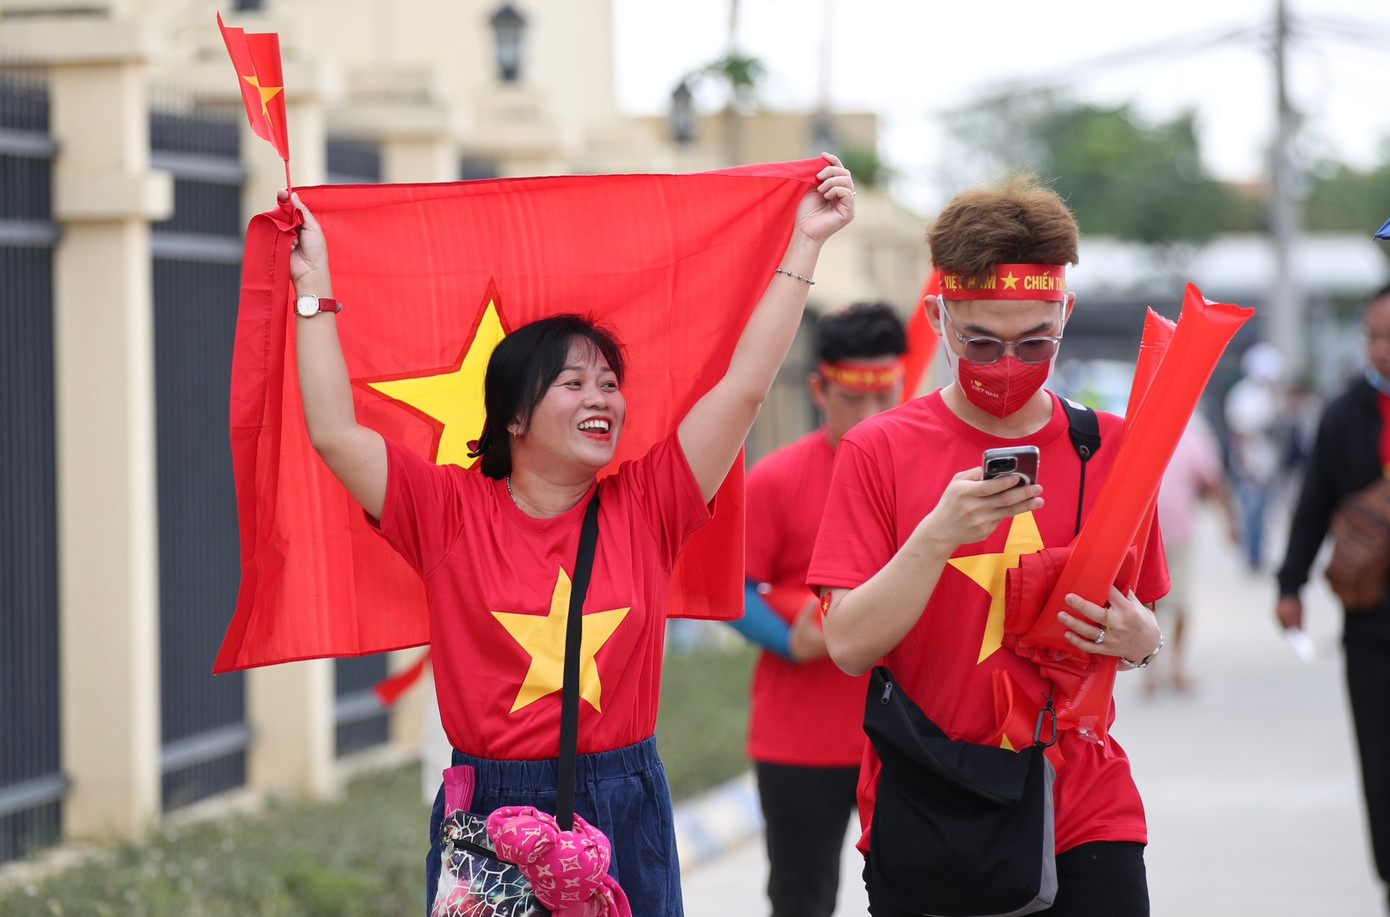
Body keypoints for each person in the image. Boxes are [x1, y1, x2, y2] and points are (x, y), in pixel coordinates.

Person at [280, 152, 855, 916]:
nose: (602, 398)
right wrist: (312, 289)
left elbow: (745, 389)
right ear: (514, 417)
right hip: (492, 813)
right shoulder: (446, 510)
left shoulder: (650, 502)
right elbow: (333, 433)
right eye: (574, 382)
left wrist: (806, 244)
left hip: (626, 803)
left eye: (611, 383)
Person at [808, 175, 1169, 916]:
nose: (1007, 363)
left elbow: (1138, 623)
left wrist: (1141, 640)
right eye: (981, 340)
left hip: (1082, 799)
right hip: (939, 799)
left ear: (1065, 313)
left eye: (1035, 341)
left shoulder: (1112, 447)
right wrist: (938, 534)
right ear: (940, 316)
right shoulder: (878, 449)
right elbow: (846, 644)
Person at [731, 301, 908, 917]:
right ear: (818, 388)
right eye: (850, 399)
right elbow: (731, 594)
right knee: (801, 901)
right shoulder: (776, 480)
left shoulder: (934, 480)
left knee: (913, 893)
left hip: (904, 739)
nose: (870, 415)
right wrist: (790, 639)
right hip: (798, 740)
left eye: (885, 394)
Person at [1275, 282, 1390, 911]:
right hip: (1372, 622)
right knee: (1381, 763)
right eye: (1373, 336)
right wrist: (1290, 583)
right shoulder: (1346, 412)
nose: (1382, 349)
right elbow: (1314, 501)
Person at [1148, 411, 1238, 696]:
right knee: (1149, 606)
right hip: (1146, 538)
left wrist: (1229, 521)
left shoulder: (1193, 440)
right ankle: (1151, 670)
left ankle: (1177, 668)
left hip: (1179, 536)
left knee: (1181, 605)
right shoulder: (1145, 437)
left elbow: (1213, 484)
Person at [1223, 341, 1288, 571]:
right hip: (1250, 464)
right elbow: (1239, 434)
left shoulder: (1270, 396)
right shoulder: (1243, 395)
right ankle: (1252, 557)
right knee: (1252, 510)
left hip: (1268, 463)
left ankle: (1258, 554)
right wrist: (1244, 465)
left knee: (1264, 512)